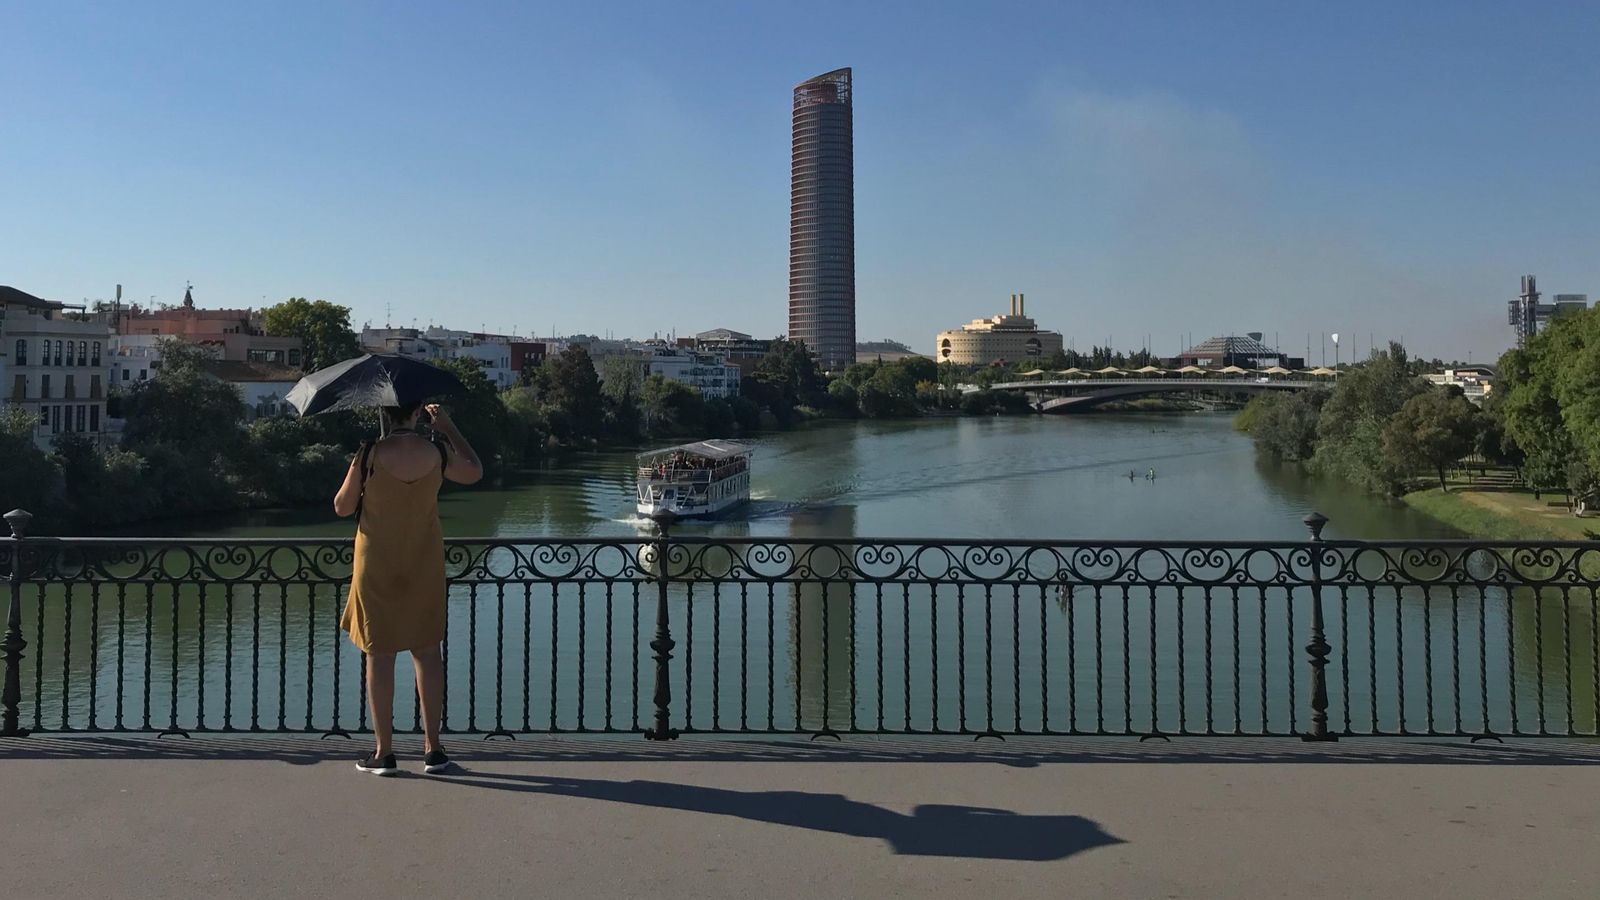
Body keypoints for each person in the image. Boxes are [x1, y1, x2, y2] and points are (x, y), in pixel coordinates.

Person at [334, 402, 482, 776]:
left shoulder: (368, 453)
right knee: (427, 652)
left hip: (376, 562)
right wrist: (449, 428)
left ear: (384, 413)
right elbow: (475, 473)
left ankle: (383, 753)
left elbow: (342, 506)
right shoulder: (437, 452)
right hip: (423, 560)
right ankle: (433, 750)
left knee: (379, 655)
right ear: (417, 413)